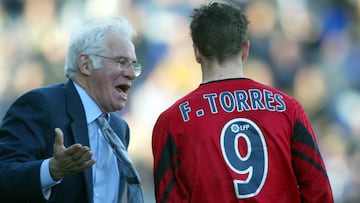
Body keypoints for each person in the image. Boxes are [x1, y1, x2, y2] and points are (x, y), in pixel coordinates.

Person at [151, 2, 334, 203]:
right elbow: (319, 191)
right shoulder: (288, 109)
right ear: (245, 49)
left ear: (196, 52)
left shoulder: (172, 122)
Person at [0, 16, 144, 203]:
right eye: (121, 61)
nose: (132, 74)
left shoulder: (119, 128)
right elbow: (3, 175)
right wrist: (51, 170)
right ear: (86, 64)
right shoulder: (41, 105)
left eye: (134, 65)